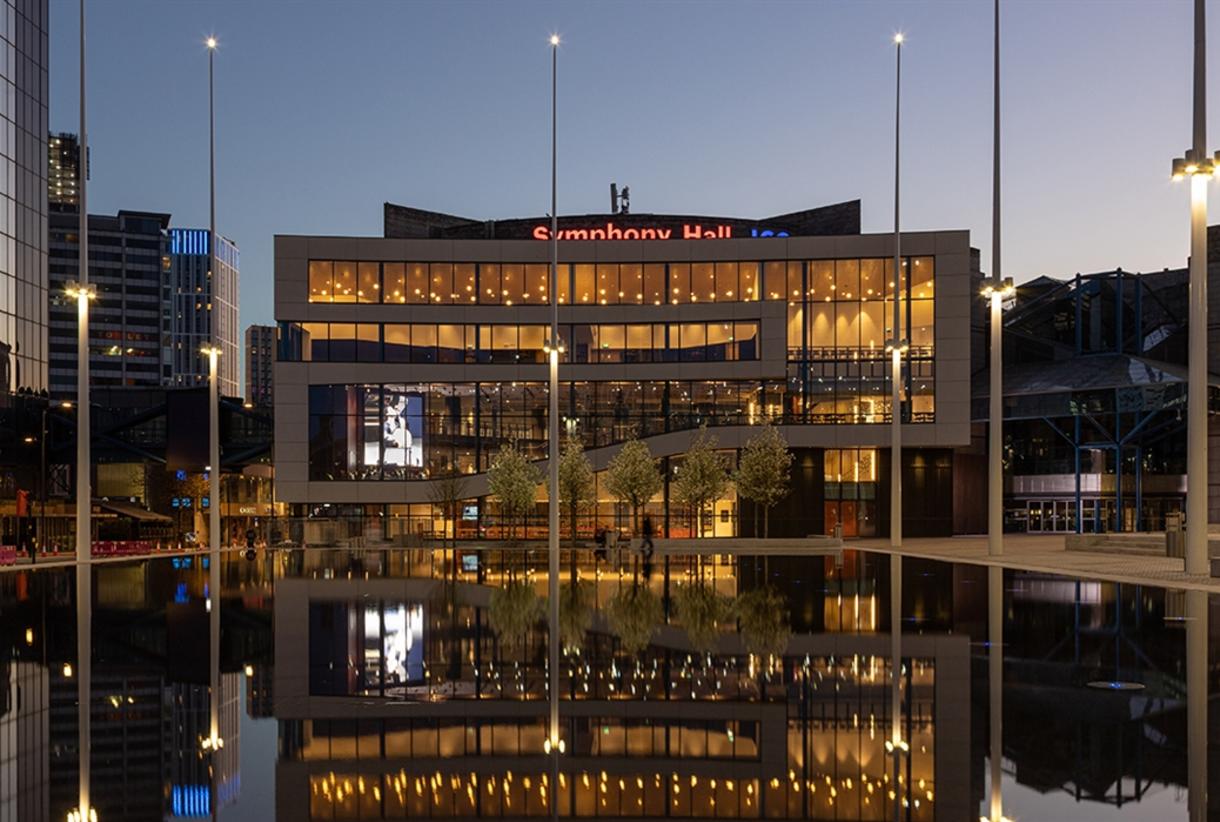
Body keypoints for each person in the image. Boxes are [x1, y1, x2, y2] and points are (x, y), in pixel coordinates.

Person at [640, 515, 655, 581]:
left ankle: (645, 546)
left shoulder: (646, 522)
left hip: (647, 533)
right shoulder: (647, 522)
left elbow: (645, 528)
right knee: (647, 540)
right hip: (648, 533)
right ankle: (648, 546)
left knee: (647, 540)